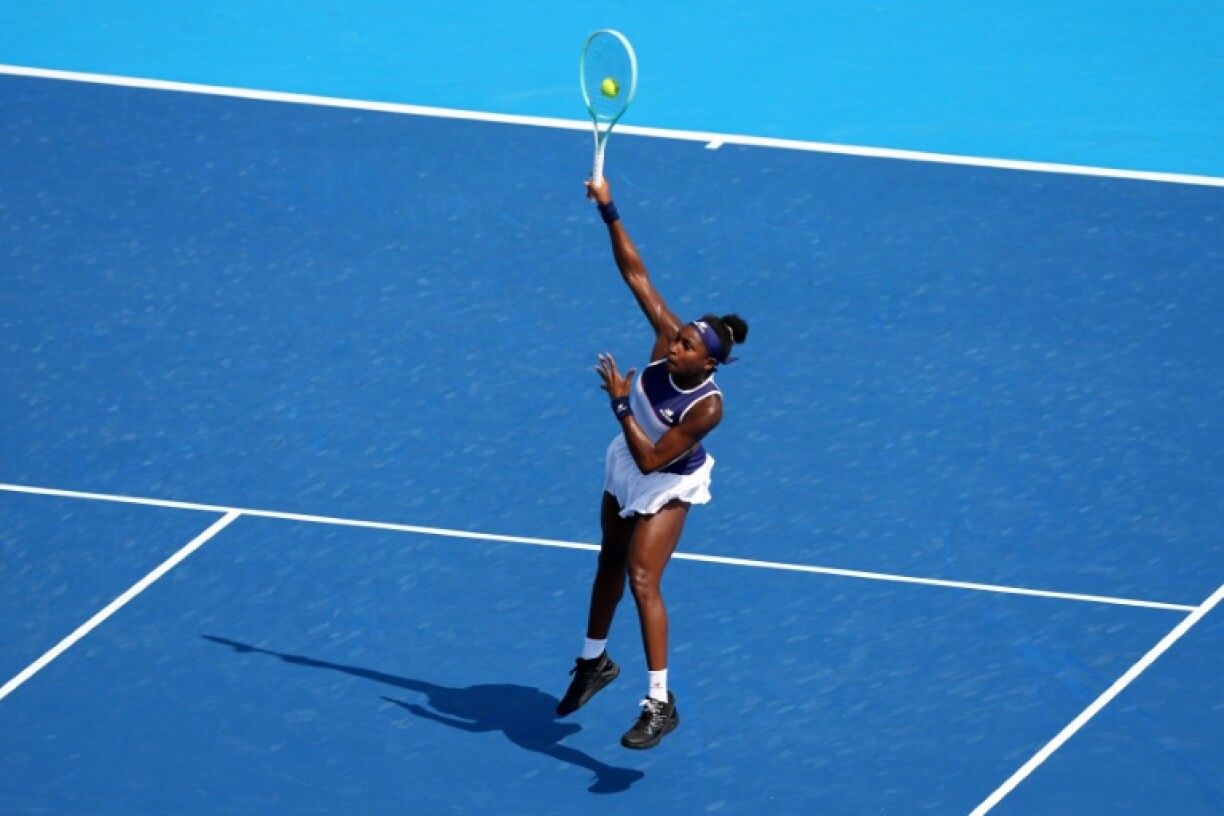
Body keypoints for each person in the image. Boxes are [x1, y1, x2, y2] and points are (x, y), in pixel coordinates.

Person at [556, 176, 749, 750]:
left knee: (643, 578)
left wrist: (620, 403)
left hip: (664, 480)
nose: (674, 345)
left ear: (708, 362)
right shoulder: (667, 335)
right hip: (627, 465)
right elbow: (634, 272)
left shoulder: (707, 407)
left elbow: (649, 457)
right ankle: (594, 663)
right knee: (608, 561)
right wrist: (609, 207)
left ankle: (660, 703)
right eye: (679, 336)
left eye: (687, 346)